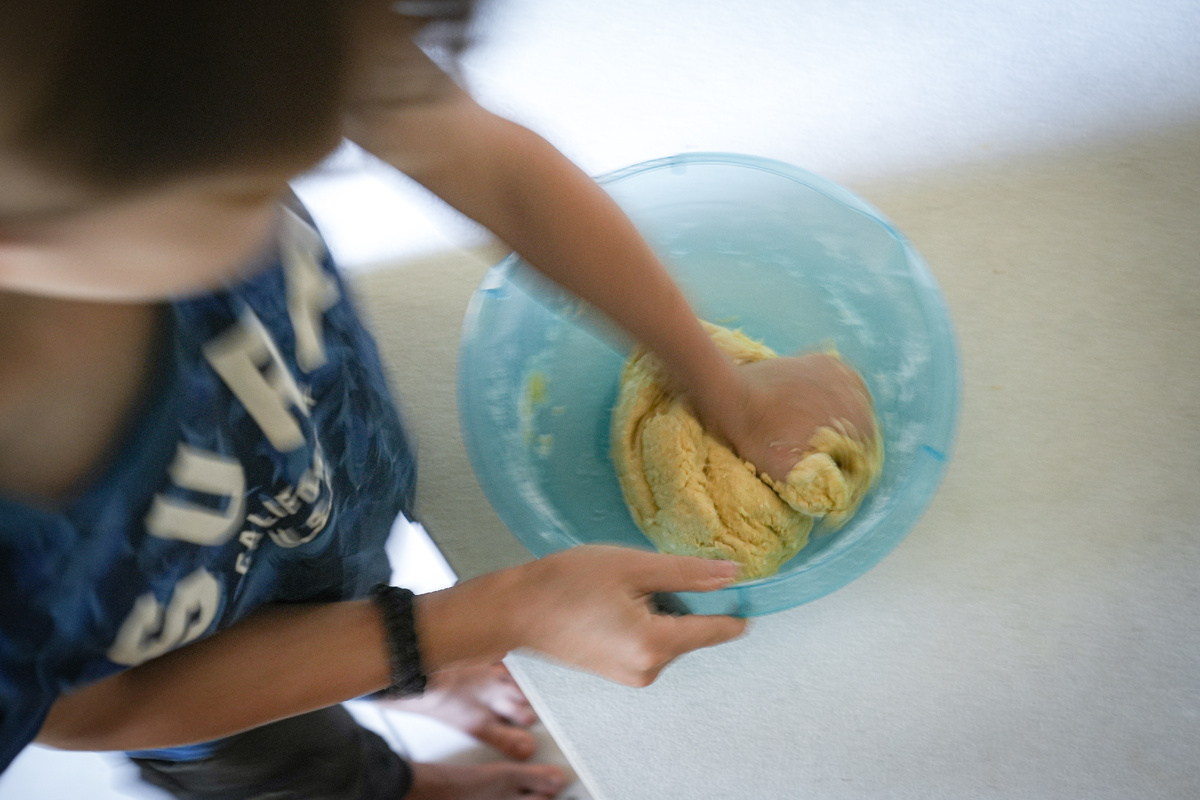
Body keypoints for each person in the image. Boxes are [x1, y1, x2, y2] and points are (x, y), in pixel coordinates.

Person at [0, 1, 875, 798]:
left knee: (353, 586)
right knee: (286, 761)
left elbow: (485, 161)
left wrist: (722, 385)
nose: (293, 186)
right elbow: (99, 710)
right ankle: (398, 785)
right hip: (194, 676)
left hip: (316, 491)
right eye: (243, 194)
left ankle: (401, 666)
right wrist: (492, 613)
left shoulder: (192, 47)